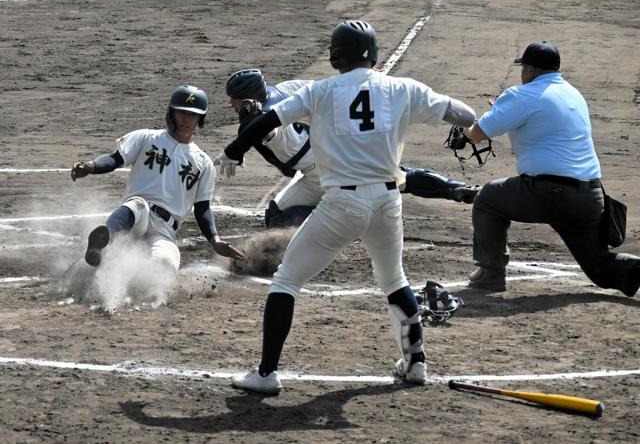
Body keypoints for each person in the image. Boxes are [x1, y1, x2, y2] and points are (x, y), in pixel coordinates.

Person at [215, 20, 477, 394]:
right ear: (373, 52)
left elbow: (266, 122)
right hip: (388, 203)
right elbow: (461, 114)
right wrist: (482, 125)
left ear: (336, 55)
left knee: (287, 280)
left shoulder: (321, 90)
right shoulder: (402, 87)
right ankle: (416, 363)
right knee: (394, 280)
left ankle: (266, 374)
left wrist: (232, 152)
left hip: (342, 203)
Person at [463, 41, 640, 297]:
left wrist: (465, 130)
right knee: (601, 268)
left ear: (531, 70)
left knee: (488, 198)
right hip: (590, 198)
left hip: (548, 193)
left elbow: (478, 133)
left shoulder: (522, 95)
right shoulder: (573, 94)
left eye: (524, 68)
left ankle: (491, 274)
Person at [225, 69, 480, 228]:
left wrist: (252, 125)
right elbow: (323, 86)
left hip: (324, 172)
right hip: (334, 153)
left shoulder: (269, 124)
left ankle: (350, 216)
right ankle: (455, 189)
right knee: (395, 179)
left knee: (277, 219)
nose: (231, 105)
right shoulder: (283, 89)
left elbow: (268, 131)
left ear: (248, 98)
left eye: (234, 99)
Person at [70, 85, 245, 279]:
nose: (186, 120)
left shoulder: (203, 163)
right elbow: (115, 159)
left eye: (193, 115)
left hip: (165, 230)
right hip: (138, 217)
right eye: (182, 113)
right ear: (172, 113)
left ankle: (128, 281)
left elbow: (202, 207)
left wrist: (215, 240)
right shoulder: (147, 138)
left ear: (199, 119)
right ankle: (103, 242)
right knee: (136, 205)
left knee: (166, 264)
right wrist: (91, 166)